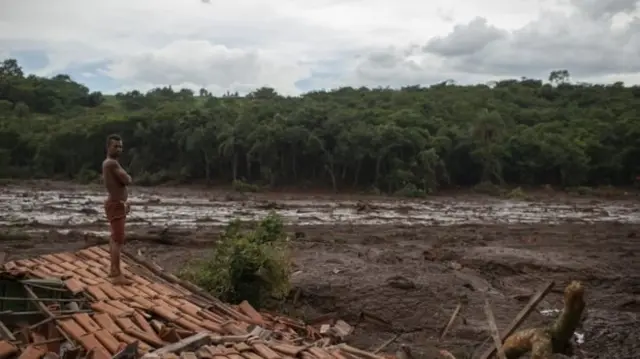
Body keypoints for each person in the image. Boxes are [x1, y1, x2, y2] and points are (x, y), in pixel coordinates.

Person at [102, 134, 133, 285]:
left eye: (120, 146)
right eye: (115, 146)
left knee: (115, 237)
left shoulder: (111, 163)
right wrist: (128, 177)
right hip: (116, 204)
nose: (119, 149)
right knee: (118, 238)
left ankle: (114, 270)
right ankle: (116, 274)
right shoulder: (111, 164)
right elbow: (127, 179)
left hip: (117, 203)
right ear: (108, 147)